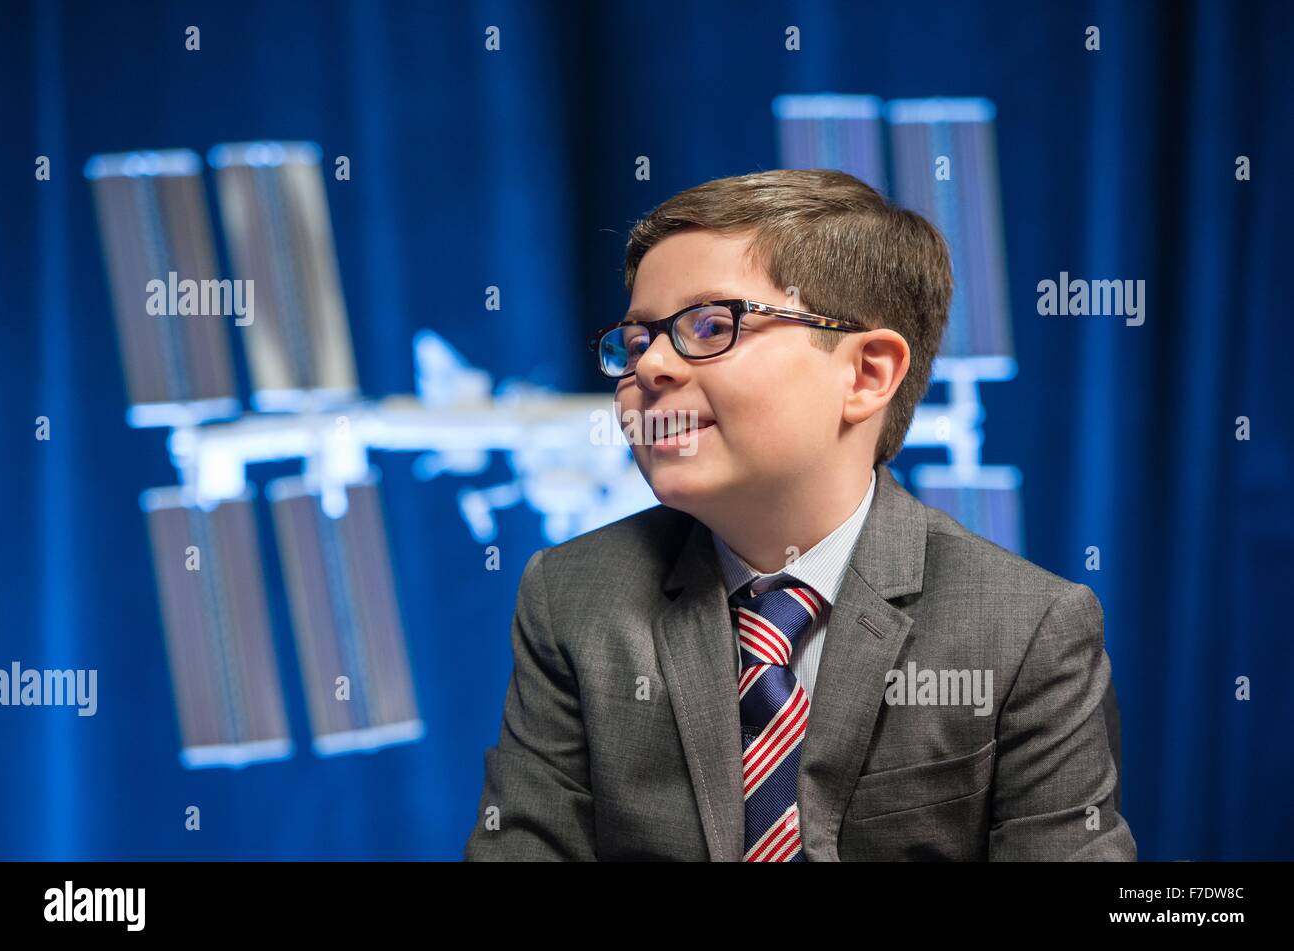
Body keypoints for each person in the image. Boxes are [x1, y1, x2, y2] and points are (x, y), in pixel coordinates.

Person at [464, 168, 1135, 861]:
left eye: (708, 325)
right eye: (636, 342)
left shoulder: (1025, 627)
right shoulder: (572, 596)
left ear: (867, 373)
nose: (652, 367)